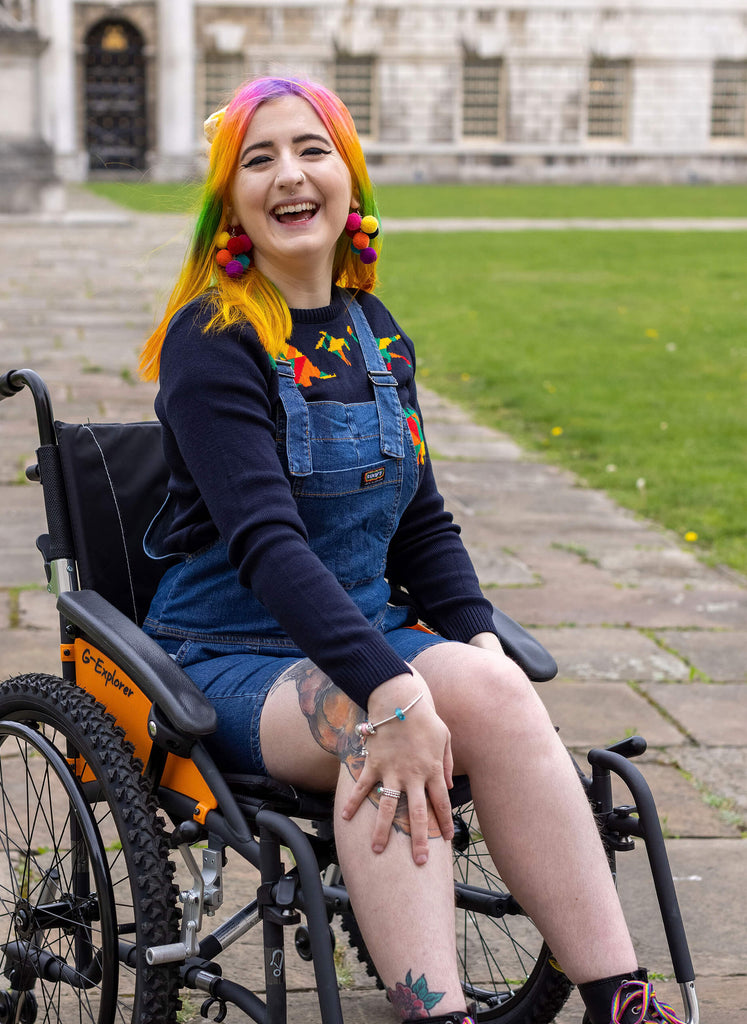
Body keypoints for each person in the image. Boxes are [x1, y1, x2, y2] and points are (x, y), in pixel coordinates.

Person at [139, 76, 682, 1024]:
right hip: (227, 655)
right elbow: (266, 545)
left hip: (364, 629)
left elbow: (422, 524)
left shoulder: (376, 334)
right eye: (256, 160)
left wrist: (472, 635)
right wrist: (395, 690)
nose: (288, 175)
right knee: (372, 719)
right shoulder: (213, 339)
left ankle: (616, 999)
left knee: (501, 688)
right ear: (230, 203)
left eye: (311, 150)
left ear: (349, 181)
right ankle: (439, 1014)